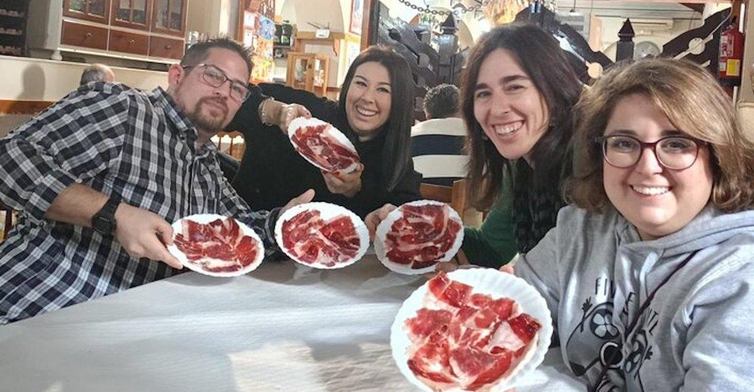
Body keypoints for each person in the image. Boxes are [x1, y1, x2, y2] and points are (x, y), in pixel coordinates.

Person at [446, 58, 754, 392]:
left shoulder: (745, 278)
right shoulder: (581, 228)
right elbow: (523, 306)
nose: (647, 167)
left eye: (677, 144)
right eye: (625, 143)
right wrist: (492, 305)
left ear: (717, 155)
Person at [0, 38, 311, 324]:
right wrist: (113, 214)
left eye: (237, 88)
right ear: (177, 76)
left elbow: (233, 228)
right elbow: (7, 159)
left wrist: (281, 221)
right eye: (214, 75)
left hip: (121, 334)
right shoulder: (124, 109)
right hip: (36, 312)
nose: (225, 92)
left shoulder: (206, 165)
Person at [366, 24, 583, 268]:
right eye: (483, 93)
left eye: (514, 87)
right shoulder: (520, 165)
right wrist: (409, 223)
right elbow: (490, 248)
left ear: (554, 91)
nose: (497, 109)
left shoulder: (590, 166)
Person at [226, 45, 421, 219]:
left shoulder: (394, 152)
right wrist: (274, 112)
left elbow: (406, 213)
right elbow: (230, 99)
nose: (368, 98)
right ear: (347, 87)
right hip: (246, 233)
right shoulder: (310, 115)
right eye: (361, 83)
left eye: (383, 90)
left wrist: (356, 191)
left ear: (399, 101)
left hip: (326, 255)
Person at [410, 83, 468, 186]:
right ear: (462, 111)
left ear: (428, 116)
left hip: (418, 200)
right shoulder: (479, 135)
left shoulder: (409, 136)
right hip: (469, 200)